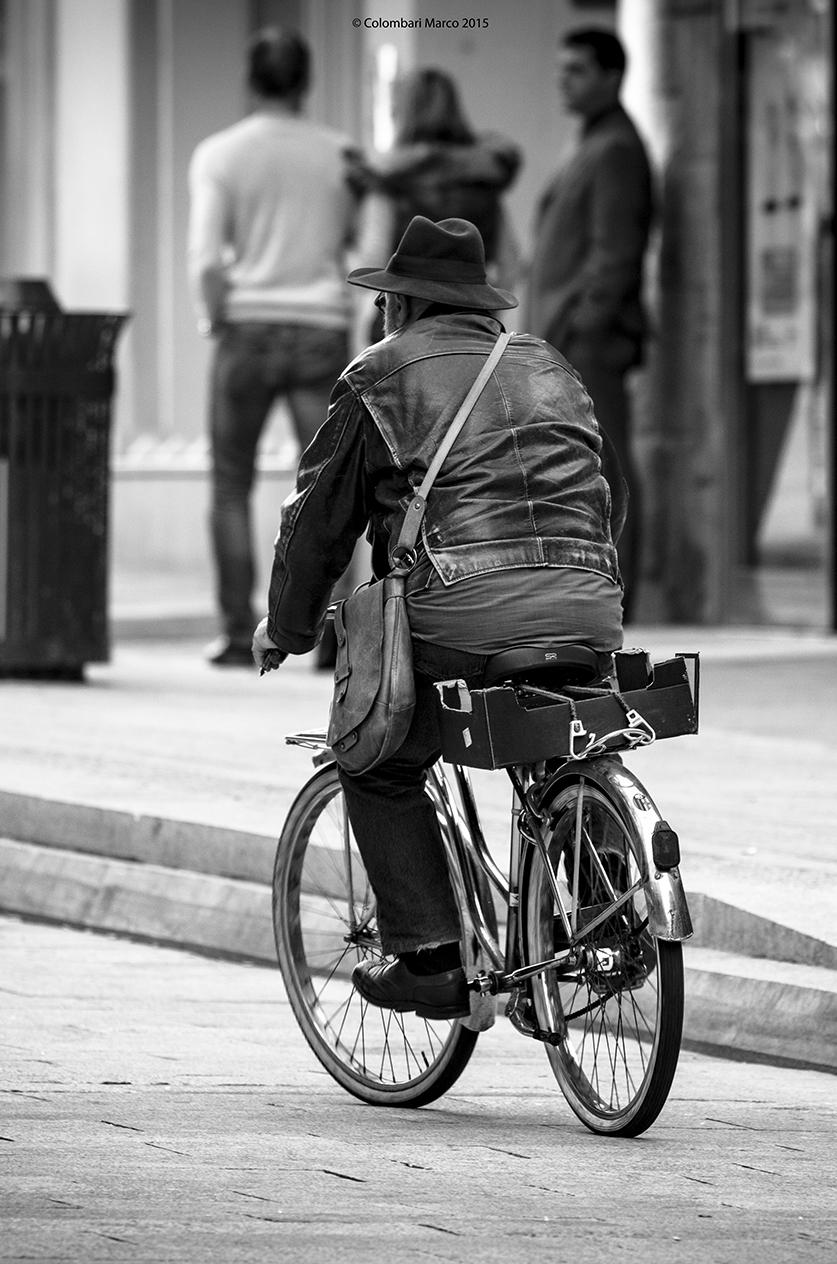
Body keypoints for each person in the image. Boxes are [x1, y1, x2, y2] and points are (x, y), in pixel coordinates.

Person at [255, 216, 624, 1017]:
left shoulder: (380, 376)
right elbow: (608, 492)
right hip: (590, 601)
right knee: (558, 738)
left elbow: (318, 524)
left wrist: (284, 630)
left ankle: (428, 956)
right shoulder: (551, 366)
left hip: (464, 608)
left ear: (402, 307)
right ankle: (606, 903)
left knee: (376, 759)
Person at [190, 26, 361, 668]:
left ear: (251, 80)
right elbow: (362, 246)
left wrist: (214, 317)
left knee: (231, 484)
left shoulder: (220, 155)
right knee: (333, 486)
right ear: (306, 81)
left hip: (247, 326)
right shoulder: (343, 155)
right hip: (321, 327)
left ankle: (238, 633)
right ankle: (335, 636)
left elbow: (207, 258)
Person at [529, 28, 653, 621]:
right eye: (561, 68)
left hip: (588, 344)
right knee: (583, 468)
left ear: (612, 75)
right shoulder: (592, 142)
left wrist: (585, 329)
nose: (563, 80)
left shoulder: (616, 150)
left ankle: (620, 595)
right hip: (569, 340)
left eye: (576, 70)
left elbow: (616, 254)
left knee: (603, 467)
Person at [354, 67, 521, 343]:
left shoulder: (389, 178)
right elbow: (510, 263)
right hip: (474, 328)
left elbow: (372, 259)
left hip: (402, 329)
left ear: (402, 111)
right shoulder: (483, 177)